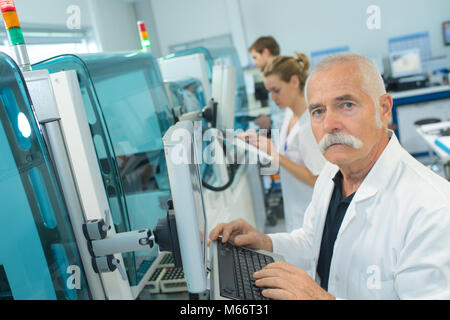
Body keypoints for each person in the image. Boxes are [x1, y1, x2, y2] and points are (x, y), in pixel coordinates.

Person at [210, 53, 450, 299]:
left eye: (346, 105)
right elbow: (312, 242)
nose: (329, 124)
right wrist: (265, 243)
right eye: (318, 111)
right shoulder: (331, 172)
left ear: (384, 108)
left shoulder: (433, 208)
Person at [241, 53, 327, 231]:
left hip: (313, 218)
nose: (272, 97)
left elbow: (317, 179)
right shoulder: (290, 115)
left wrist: (276, 156)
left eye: (276, 90)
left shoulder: (309, 125)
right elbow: (287, 155)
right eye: (269, 91)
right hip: (296, 213)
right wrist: (261, 145)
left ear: (294, 82)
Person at [249, 36, 285, 130]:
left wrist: (270, 121)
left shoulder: (282, 74)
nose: (254, 63)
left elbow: (293, 111)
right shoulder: (273, 73)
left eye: (255, 57)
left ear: (265, 52)